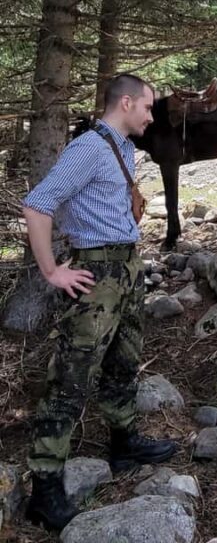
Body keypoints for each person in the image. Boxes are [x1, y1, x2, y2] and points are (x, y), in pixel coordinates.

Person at [22, 73, 177, 532]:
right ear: (125, 103)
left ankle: (124, 442)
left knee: (123, 363)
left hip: (126, 270)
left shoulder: (123, 148)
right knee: (71, 377)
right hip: (97, 273)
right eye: (147, 107)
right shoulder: (89, 147)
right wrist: (52, 271)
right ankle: (44, 489)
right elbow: (38, 204)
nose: (152, 116)